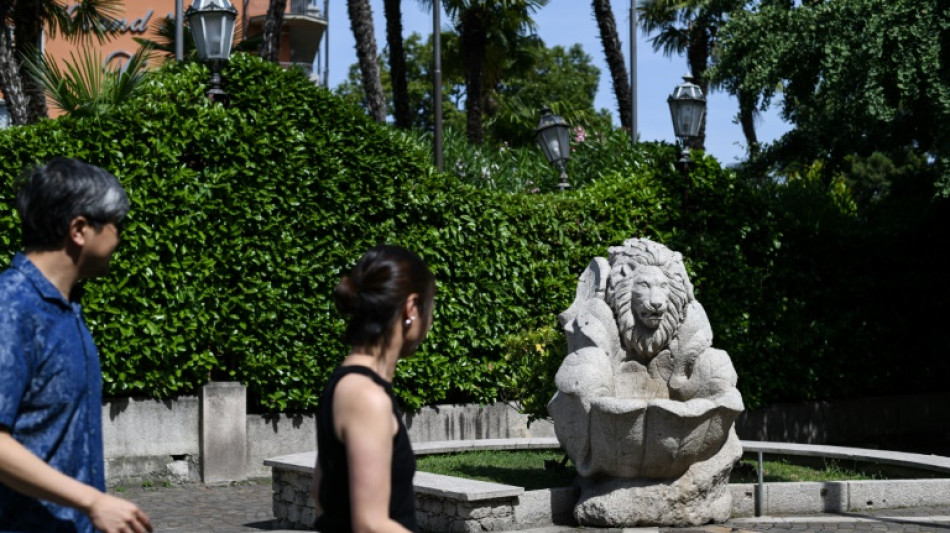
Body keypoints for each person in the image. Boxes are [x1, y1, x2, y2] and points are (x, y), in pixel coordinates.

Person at [0, 158, 153, 533]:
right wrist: (92, 501)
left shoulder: (64, 309)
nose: (119, 238)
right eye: (117, 225)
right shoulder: (11, 308)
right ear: (80, 229)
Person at [311, 245, 435, 533]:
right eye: (430, 309)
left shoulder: (345, 382)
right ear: (412, 308)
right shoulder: (366, 396)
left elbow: (320, 491)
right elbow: (370, 524)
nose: (429, 324)